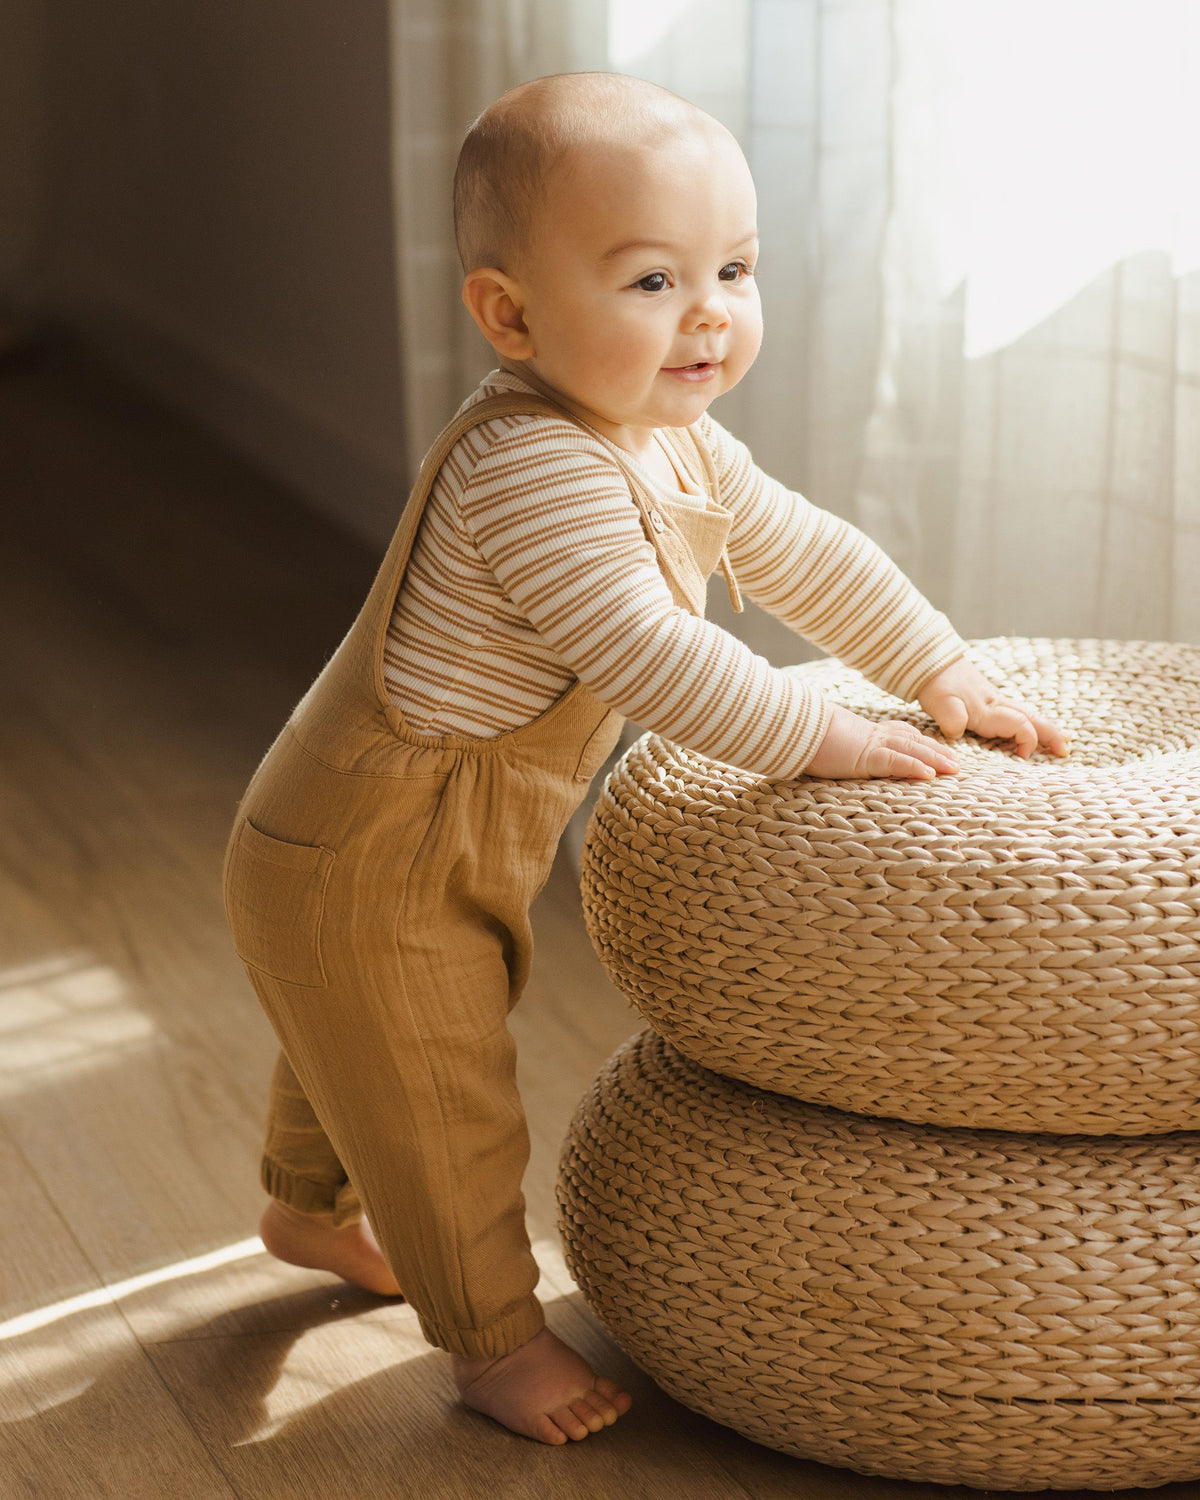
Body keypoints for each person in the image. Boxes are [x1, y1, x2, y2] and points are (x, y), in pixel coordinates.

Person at [223, 71, 1069, 1449]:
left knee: (355, 1040)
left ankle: (304, 1214)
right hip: (374, 844)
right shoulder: (531, 471)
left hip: (404, 835)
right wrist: (827, 737)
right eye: (652, 280)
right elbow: (645, 652)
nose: (710, 313)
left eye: (733, 269)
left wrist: (933, 663)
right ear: (509, 314)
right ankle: (492, 1341)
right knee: (436, 1089)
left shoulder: (668, 438)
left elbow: (801, 546)